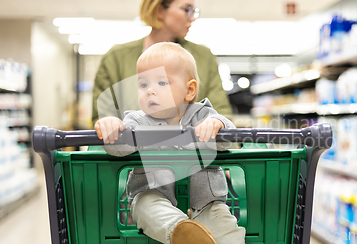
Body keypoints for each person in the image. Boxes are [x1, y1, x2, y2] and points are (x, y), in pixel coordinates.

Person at [94, 42, 245, 244]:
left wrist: (217, 124)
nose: (150, 91)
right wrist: (111, 127)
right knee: (146, 207)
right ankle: (183, 233)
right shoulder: (136, 121)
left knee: (226, 226)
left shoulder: (203, 115)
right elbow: (118, 149)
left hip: (206, 203)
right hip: (153, 196)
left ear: (189, 90)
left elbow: (229, 139)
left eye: (162, 83)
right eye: (143, 84)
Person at [92, 0, 232, 124]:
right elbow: (102, 118)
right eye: (187, 9)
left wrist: (216, 126)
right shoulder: (116, 58)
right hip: (132, 152)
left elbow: (221, 115)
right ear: (159, 10)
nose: (193, 18)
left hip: (191, 151)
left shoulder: (204, 57)